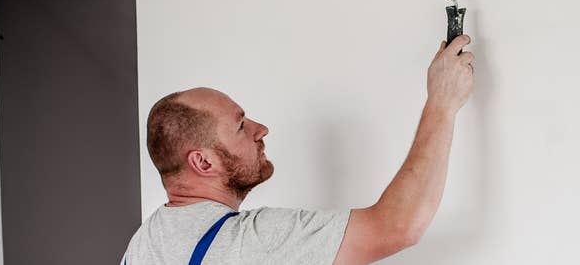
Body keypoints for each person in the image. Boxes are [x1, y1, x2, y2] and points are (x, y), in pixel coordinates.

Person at [121, 35, 475, 265]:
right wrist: (442, 103)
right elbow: (399, 226)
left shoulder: (144, 243)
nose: (261, 130)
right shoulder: (249, 243)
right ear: (203, 161)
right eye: (241, 125)